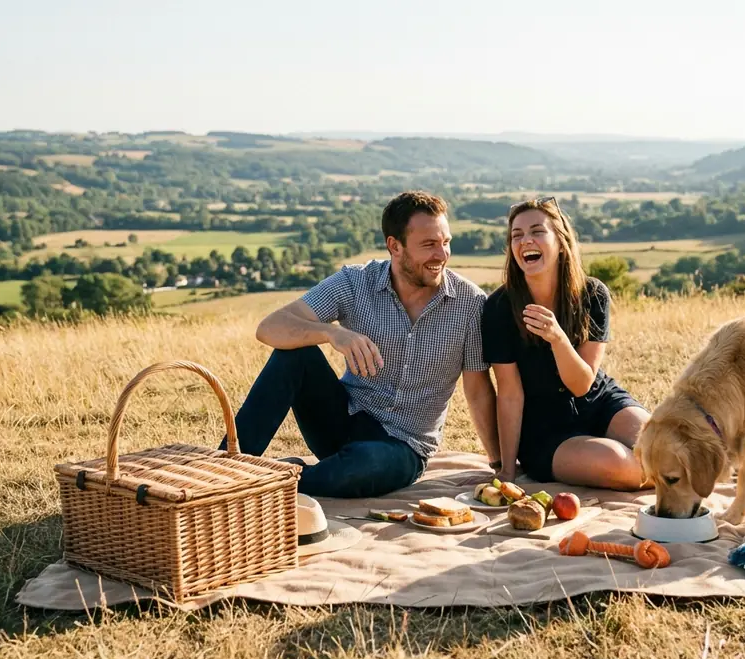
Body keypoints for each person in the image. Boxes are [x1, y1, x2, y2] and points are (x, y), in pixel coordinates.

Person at [221, 191, 500, 498]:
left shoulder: (471, 303)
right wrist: (331, 333)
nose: (442, 254)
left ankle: (270, 482)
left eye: (445, 242)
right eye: (429, 244)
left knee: (365, 464)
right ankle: (223, 472)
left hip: (403, 447)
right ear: (395, 246)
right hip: (344, 419)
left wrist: (499, 465)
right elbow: (269, 328)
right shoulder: (356, 282)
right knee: (294, 357)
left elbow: (477, 390)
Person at [481, 196, 651, 491]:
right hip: (545, 431)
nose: (526, 241)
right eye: (517, 235)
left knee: (668, 449)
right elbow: (509, 394)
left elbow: (582, 385)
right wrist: (508, 471)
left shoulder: (593, 294)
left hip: (599, 402)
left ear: (560, 242)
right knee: (628, 467)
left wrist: (558, 338)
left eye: (537, 231)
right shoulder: (499, 308)